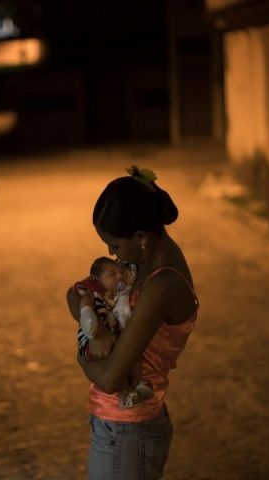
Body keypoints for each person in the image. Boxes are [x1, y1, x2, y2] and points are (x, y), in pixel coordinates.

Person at [66, 166, 199, 480]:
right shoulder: (138, 263)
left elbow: (111, 378)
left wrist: (81, 357)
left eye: (114, 244)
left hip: (128, 430)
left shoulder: (161, 284)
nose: (110, 253)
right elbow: (77, 290)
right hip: (123, 426)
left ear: (140, 237)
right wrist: (91, 320)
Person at [74, 256, 154, 408]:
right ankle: (125, 394)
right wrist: (88, 316)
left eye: (121, 272)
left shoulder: (124, 290)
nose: (120, 276)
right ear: (97, 280)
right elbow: (80, 297)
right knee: (116, 362)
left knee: (133, 355)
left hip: (119, 334)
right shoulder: (96, 292)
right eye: (112, 274)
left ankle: (137, 384)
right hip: (97, 339)